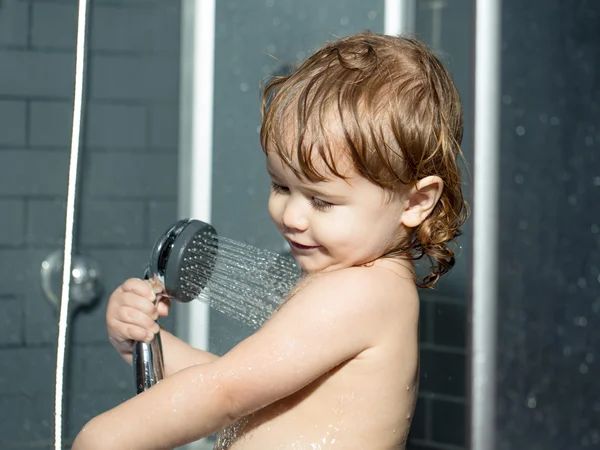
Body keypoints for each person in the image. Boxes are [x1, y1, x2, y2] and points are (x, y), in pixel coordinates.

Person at [73, 30, 467, 450]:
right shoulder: (351, 282)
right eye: (281, 188)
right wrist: (146, 345)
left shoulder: (364, 291)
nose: (291, 216)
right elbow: (245, 393)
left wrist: (101, 439)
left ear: (416, 202)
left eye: (321, 200)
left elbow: (225, 395)